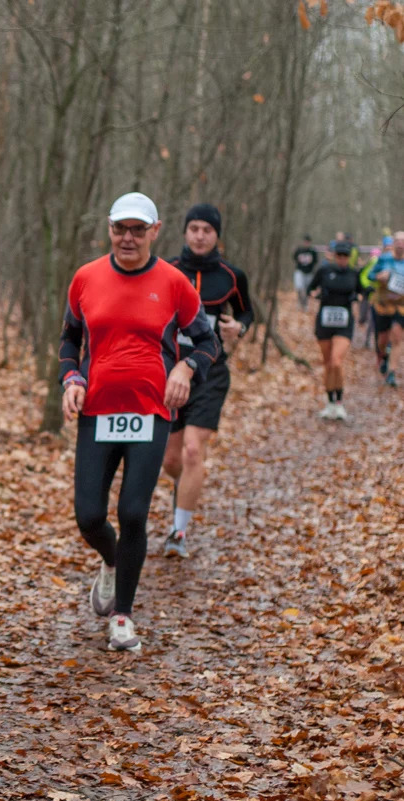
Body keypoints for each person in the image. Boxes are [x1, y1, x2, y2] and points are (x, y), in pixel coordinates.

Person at [59, 192, 219, 652]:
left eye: (137, 229)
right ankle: (112, 562)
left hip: (151, 412)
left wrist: (186, 368)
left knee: (132, 513)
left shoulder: (173, 283)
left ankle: (122, 616)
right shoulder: (86, 278)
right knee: (89, 516)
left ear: (155, 231)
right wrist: (71, 378)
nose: (127, 238)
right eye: (120, 229)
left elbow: (207, 342)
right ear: (109, 229)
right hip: (97, 410)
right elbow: (69, 339)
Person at [160, 204, 253, 559]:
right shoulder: (166, 269)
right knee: (171, 459)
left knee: (193, 450)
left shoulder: (232, 276)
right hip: (170, 373)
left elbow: (246, 311)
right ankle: (187, 484)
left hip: (211, 373)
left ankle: (178, 533)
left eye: (207, 230)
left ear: (217, 235)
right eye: (194, 228)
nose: (200, 236)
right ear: (185, 232)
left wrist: (239, 327)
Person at [308, 241, 366, 420]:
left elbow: (362, 292)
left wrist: (357, 297)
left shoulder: (354, 274)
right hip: (325, 321)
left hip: (344, 322)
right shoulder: (324, 271)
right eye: (339, 255)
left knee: (336, 361)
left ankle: (339, 402)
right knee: (327, 364)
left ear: (349, 257)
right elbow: (310, 289)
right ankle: (329, 402)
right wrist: (315, 294)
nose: (342, 259)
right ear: (334, 256)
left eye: (345, 256)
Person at [369, 232, 404, 387]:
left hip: (401, 306)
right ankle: (383, 355)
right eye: (398, 241)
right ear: (393, 243)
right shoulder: (384, 259)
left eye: (403, 241)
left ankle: (392, 372)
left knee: (397, 337)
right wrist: (378, 276)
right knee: (382, 340)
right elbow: (370, 275)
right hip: (383, 305)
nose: (400, 244)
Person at [293, 235, 319, 311]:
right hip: (300, 271)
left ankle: (305, 304)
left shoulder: (313, 251)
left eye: (307, 242)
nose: (306, 243)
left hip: (309, 272)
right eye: (305, 242)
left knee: (307, 289)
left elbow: (315, 261)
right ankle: (300, 301)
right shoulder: (299, 250)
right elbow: (294, 258)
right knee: (299, 287)